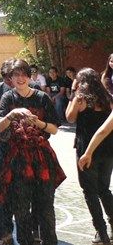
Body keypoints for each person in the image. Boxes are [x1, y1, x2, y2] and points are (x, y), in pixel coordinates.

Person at [0, 58, 63, 245]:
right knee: (21, 209)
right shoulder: (8, 98)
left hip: (41, 158)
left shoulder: (42, 97)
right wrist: (10, 115)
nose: (20, 78)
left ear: (29, 76)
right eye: (15, 75)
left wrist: (38, 122)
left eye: (23, 74)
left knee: (46, 208)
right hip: (17, 160)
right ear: (10, 78)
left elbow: (54, 129)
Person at [69, 68, 113, 245]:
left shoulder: (80, 99)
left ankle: (101, 232)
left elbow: (69, 118)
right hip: (108, 151)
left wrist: (73, 93)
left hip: (87, 152)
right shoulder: (108, 98)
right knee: (104, 189)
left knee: (90, 191)